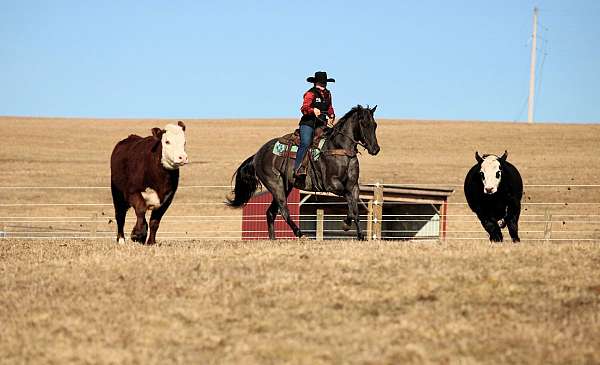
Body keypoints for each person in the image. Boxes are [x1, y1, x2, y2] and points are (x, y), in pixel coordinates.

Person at [294, 71, 336, 178]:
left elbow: (329, 107)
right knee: (306, 142)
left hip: (322, 124)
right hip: (308, 123)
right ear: (316, 83)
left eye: (325, 83)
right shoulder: (310, 93)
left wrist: (331, 115)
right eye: (322, 83)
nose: (324, 85)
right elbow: (304, 108)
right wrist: (313, 110)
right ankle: (298, 168)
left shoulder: (328, 94)